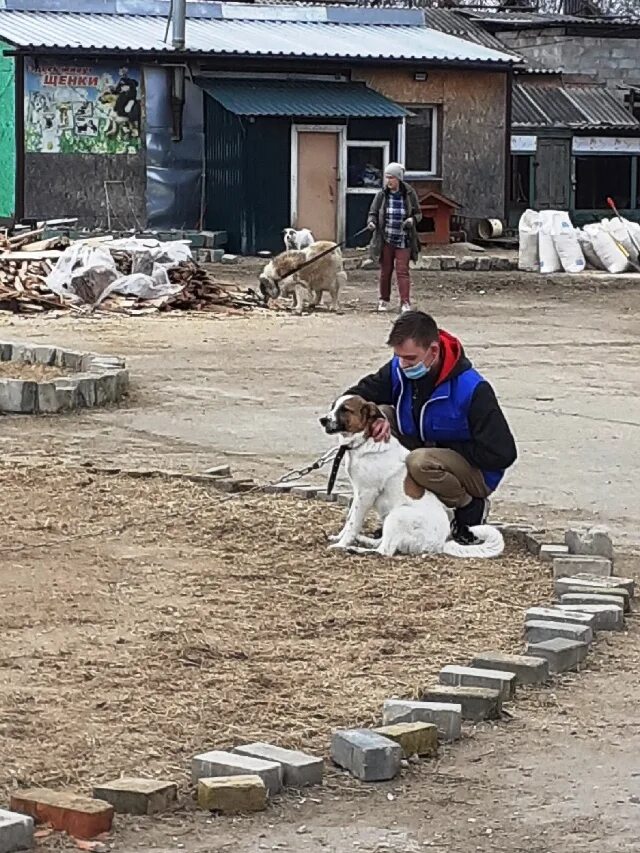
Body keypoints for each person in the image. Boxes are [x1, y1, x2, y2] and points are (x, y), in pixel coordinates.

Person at [345, 310, 517, 544]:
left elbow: (503, 454)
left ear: (433, 351)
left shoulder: (472, 388)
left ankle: (469, 507)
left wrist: (442, 450)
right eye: (399, 357)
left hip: (475, 468)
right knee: (381, 413)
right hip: (424, 448)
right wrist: (375, 418)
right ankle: (401, 513)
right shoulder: (398, 369)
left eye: (410, 359)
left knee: (419, 461)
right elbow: (354, 398)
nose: (403, 365)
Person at [367, 162, 422, 315]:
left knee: (402, 271)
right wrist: (371, 223)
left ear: (398, 178)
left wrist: (412, 220)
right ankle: (383, 299)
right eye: (387, 177)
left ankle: (405, 302)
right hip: (386, 239)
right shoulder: (382, 195)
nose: (388, 181)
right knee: (386, 271)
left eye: (391, 177)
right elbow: (372, 213)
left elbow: (418, 213)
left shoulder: (410, 194)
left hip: (404, 239)